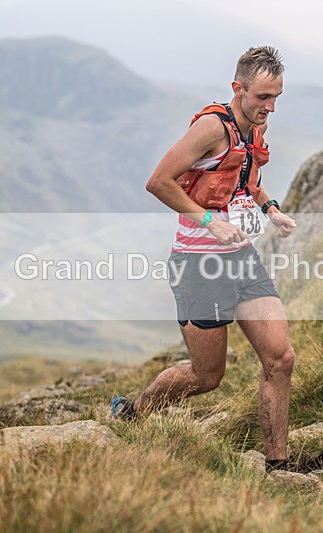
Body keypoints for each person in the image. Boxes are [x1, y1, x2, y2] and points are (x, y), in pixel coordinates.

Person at [112, 46, 297, 471]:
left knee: (280, 359)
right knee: (206, 376)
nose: (270, 108)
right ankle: (133, 414)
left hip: (241, 258)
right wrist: (209, 220)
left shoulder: (255, 129)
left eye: (276, 98)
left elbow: (245, 181)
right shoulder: (212, 127)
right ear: (238, 88)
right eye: (262, 98)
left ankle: (279, 467)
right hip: (199, 263)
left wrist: (271, 210)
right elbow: (158, 181)